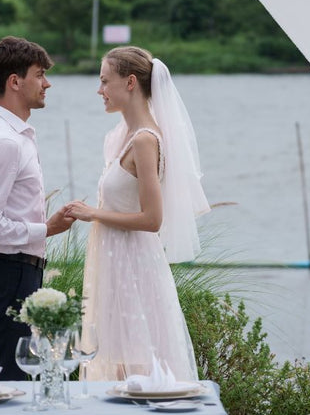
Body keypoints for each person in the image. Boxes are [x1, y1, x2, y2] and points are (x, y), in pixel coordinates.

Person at [62, 46, 209, 382]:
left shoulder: (145, 140)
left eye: (104, 81)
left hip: (134, 267)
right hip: (114, 263)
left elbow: (152, 219)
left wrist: (92, 214)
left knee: (138, 365)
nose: (99, 90)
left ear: (130, 83)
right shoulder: (122, 136)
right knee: (114, 361)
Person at [0, 37, 75, 380]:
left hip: (16, 272)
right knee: (4, 390)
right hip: (8, 273)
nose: (47, 83)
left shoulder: (15, 136)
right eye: (40, 74)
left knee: (19, 387)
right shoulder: (5, 143)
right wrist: (46, 228)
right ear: (15, 81)